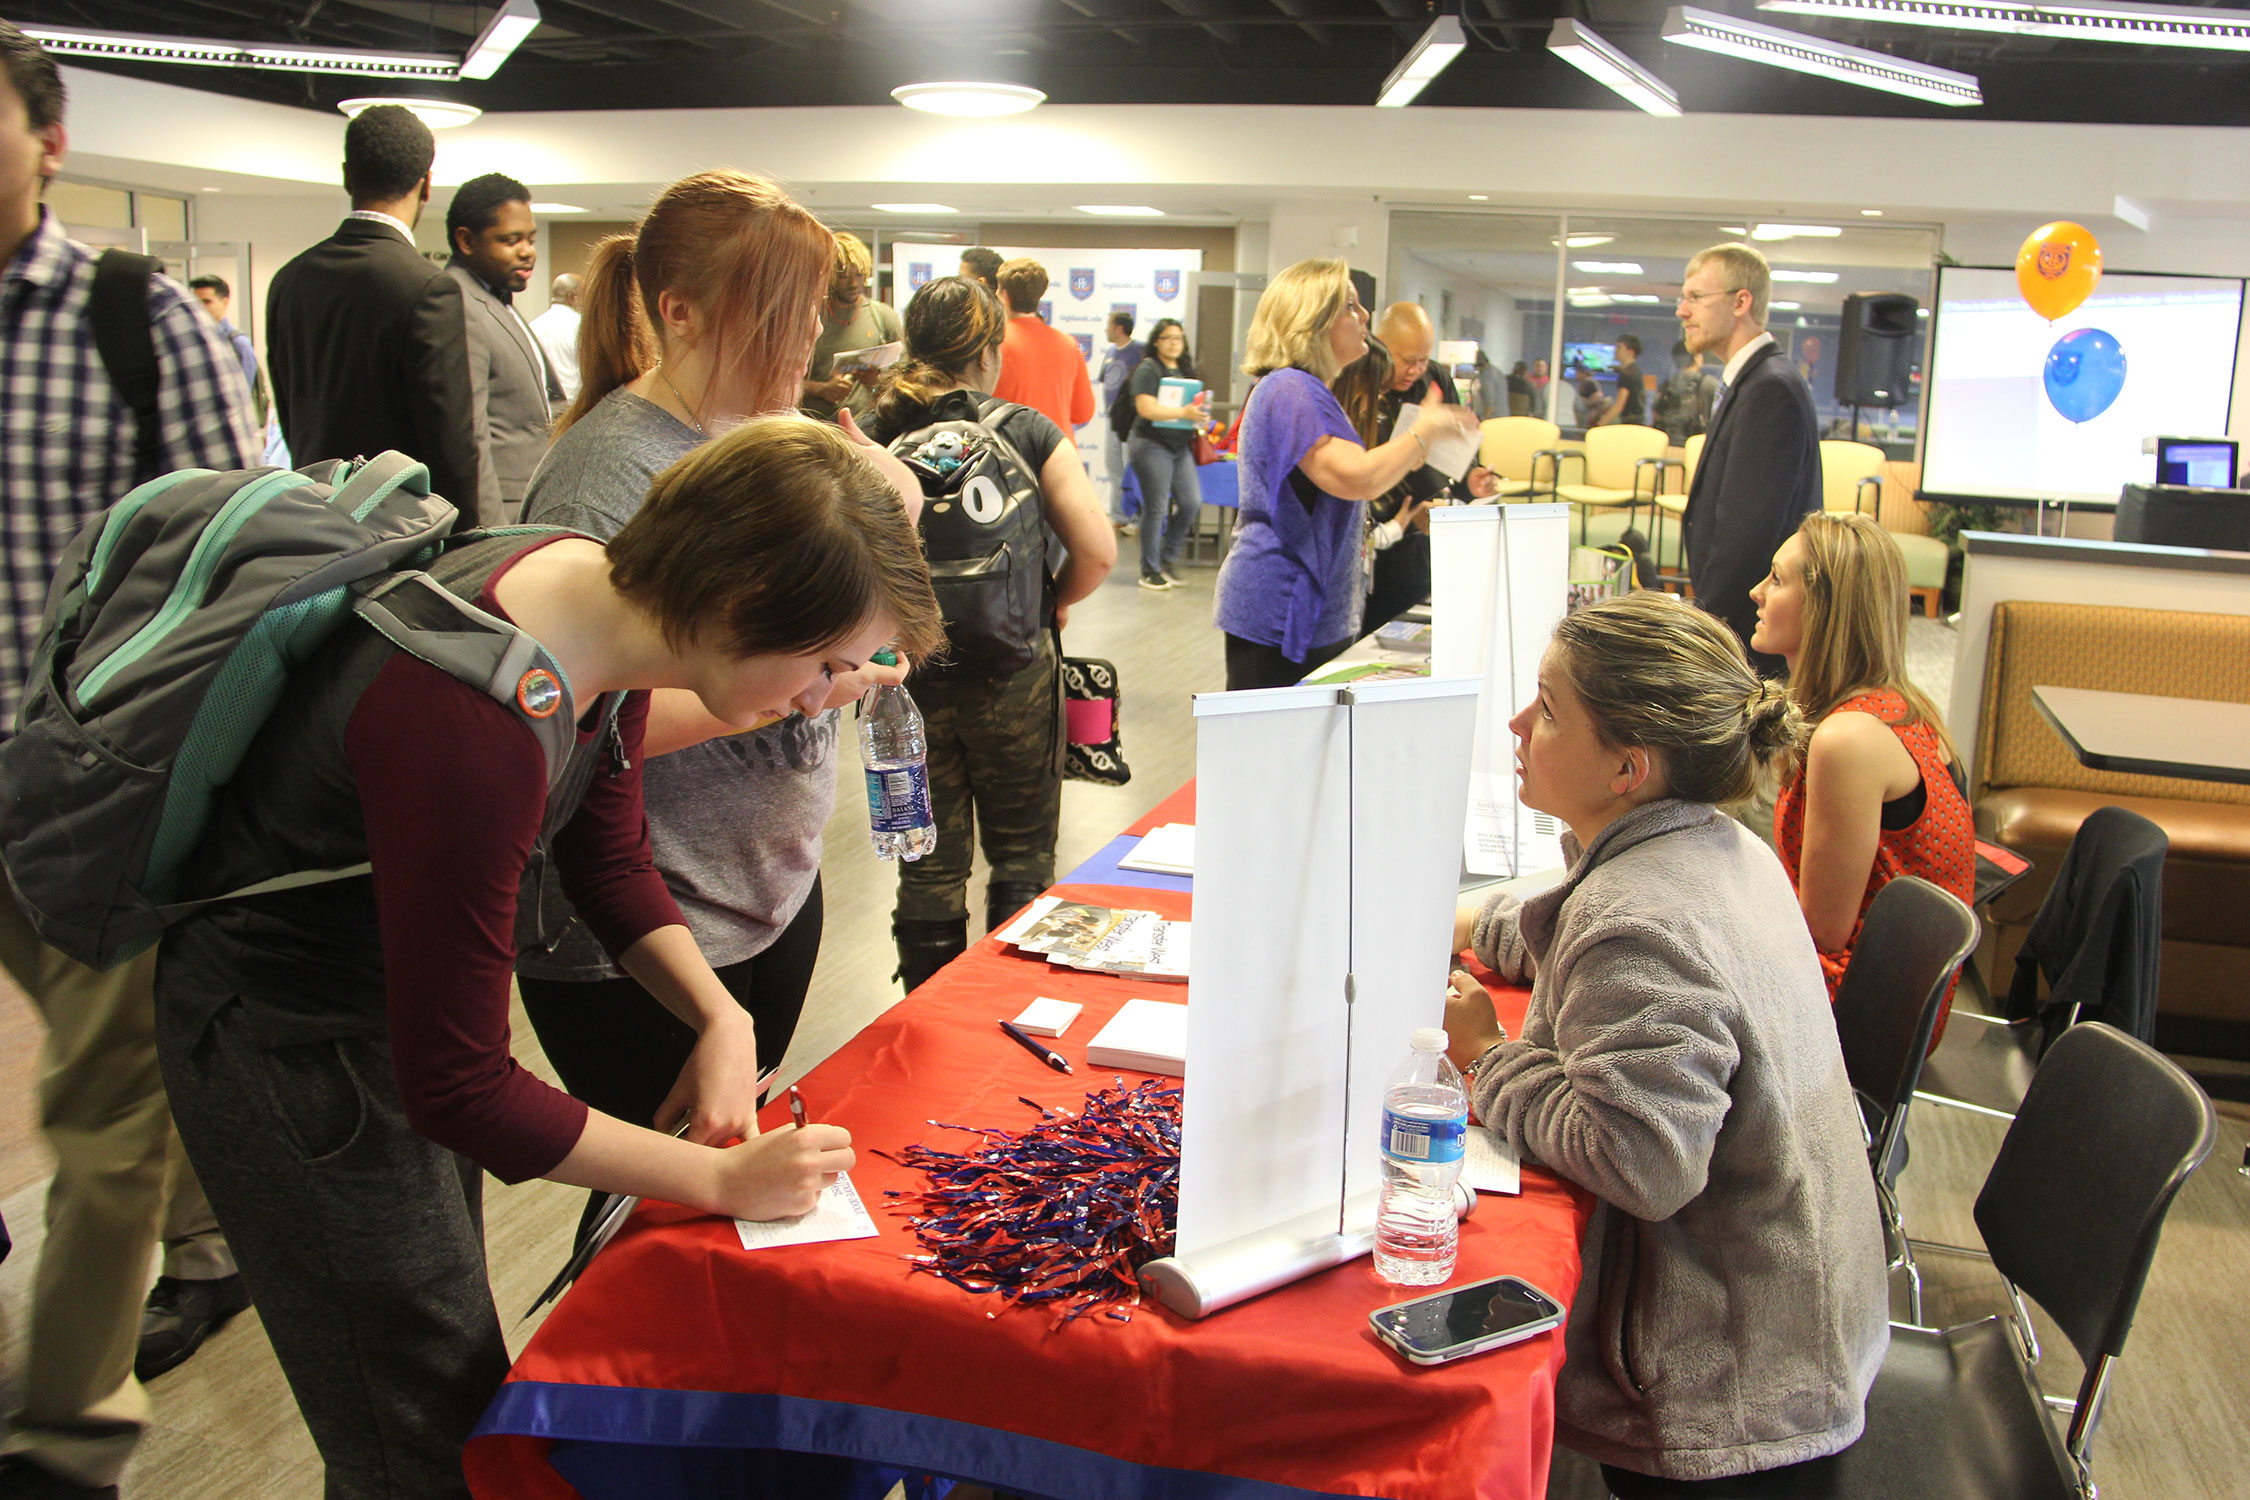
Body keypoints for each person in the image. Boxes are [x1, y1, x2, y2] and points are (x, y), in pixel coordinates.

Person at [155, 415, 942, 1500]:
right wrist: (718, 1178)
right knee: (421, 1429)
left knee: (431, 1363)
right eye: (827, 664)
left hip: (380, 1014)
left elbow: (607, 856)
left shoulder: (594, 596)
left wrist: (721, 1017)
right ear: (736, 605)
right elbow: (463, 1088)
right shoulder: (470, 718)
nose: (826, 699)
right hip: (295, 1049)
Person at [517, 170, 919, 1239]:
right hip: (652, 914)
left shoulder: (762, 436)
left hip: (754, 888)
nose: (803, 347)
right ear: (678, 313)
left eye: (813, 318)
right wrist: (803, 691)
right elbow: (590, 723)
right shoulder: (608, 475)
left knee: (726, 1186)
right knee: (662, 1207)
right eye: (777, 319)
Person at [1444, 591, 1888, 1487]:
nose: (1520, 722)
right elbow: (1592, 940)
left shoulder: (1639, 913)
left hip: (1731, 1398)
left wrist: (1489, 1058)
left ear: (1627, 770)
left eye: (1550, 708)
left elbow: (1640, 1159)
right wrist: (1469, 924)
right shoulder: (1717, 843)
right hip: (1798, 1326)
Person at [0, 25, 261, 1495]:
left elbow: (250, 559)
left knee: (99, 1116)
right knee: (125, 1092)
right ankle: (216, 1238)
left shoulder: (134, 318)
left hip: (89, 789)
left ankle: (65, 1439)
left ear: (50, 140)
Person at [867, 275, 1115, 985]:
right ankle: (1009, 1003)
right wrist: (1051, 602)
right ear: (986, 352)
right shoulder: (1028, 431)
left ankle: (927, 1012)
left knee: (927, 861)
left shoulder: (876, 432)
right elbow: (1097, 552)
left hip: (903, 682)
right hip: (1014, 675)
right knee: (1022, 855)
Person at [1752, 512, 1975, 1030]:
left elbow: (1821, 934)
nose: (1756, 592)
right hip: (1891, 997)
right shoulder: (1899, 704)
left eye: (1777, 580)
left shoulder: (1847, 739)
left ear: (1826, 608)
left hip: (1862, 1015)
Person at [1211, 257, 1473, 690]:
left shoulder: (1305, 390)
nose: (1365, 316)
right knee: (1276, 748)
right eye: (1350, 306)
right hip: (1280, 606)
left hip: (1300, 606)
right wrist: (1423, 432)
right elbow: (1356, 478)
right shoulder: (1291, 388)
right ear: (1312, 322)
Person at [266, 103, 484, 513]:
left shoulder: (289, 280)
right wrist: (467, 541)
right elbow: (451, 444)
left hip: (312, 519)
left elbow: (290, 413)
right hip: (398, 531)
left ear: (347, 175)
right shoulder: (428, 288)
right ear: (427, 183)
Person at [1676, 240, 1820, 676]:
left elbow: (1747, 530)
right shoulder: (1753, 381)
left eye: (1696, 297)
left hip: (1746, 633)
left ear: (1741, 302)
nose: (1682, 311)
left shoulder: (1769, 388)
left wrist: (1706, 626)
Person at [1346, 311, 1500, 629]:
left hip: (1419, 533)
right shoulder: (1359, 381)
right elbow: (1357, 470)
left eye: (1424, 360)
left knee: (1407, 626)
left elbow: (1455, 451)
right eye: (1407, 360)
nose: (1416, 370)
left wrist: (1470, 480)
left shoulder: (1435, 378)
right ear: (1381, 346)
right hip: (1371, 532)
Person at [448, 171, 564, 522]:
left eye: (531, 238)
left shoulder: (496, 301)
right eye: (511, 240)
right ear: (467, 241)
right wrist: (490, 533)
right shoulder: (456, 301)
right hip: (503, 511)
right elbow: (471, 433)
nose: (528, 252)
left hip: (533, 497)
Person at [1124, 317, 1210, 591]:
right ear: (1157, 341)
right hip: (1151, 444)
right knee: (1157, 507)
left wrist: (1198, 419)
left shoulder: (1185, 370)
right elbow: (1146, 409)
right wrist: (1183, 412)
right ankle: (1150, 570)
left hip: (1179, 445)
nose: (1174, 343)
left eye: (1179, 338)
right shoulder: (1148, 369)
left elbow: (1190, 410)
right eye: (1168, 338)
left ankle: (1166, 558)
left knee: (1191, 501)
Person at [801, 230, 903, 423]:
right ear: (829, 276)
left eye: (859, 275)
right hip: (815, 427)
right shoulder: (808, 318)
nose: (854, 284)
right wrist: (820, 389)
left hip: (865, 428)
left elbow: (907, 378)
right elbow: (775, 383)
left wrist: (878, 382)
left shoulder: (882, 317)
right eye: (844, 276)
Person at [990, 257, 1095, 434]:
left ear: (1005, 296)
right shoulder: (1068, 344)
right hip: (1059, 452)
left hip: (1010, 451)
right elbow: (1083, 412)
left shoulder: (993, 342)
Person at [1097, 309, 1144, 529]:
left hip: (1131, 421)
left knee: (1130, 467)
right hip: (1112, 419)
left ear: (1118, 328)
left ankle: (1135, 517)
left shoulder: (1139, 352)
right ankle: (1118, 515)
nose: (1106, 329)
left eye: (1109, 324)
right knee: (1113, 465)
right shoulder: (1110, 352)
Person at [187, 272, 260, 412]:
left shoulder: (237, 344)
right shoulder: (191, 341)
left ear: (224, 302)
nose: (199, 308)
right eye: (195, 302)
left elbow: (242, 397)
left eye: (207, 302)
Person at [529, 271, 583, 401]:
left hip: (546, 404)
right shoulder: (582, 326)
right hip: (576, 405)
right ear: (573, 297)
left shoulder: (533, 326)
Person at [1654, 339, 1719, 445]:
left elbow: (1655, 413)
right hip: (1697, 444)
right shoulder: (1709, 383)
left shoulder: (1666, 385)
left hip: (1667, 444)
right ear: (1697, 358)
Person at [1595, 332, 1644, 426]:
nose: (1615, 350)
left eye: (1619, 347)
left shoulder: (1627, 373)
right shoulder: (1635, 371)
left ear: (1630, 352)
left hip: (1629, 423)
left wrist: (1600, 424)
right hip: (1637, 422)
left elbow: (1619, 404)